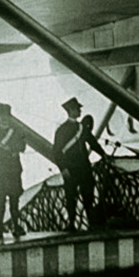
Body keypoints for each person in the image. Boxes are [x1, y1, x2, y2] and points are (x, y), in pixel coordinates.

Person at [52, 97, 96, 231]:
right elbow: (57, 152)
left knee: (88, 196)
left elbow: (93, 142)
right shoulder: (62, 130)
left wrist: (104, 155)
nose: (80, 111)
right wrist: (63, 169)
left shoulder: (81, 128)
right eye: (77, 109)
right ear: (71, 110)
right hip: (71, 169)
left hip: (83, 168)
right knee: (71, 197)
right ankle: (71, 224)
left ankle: (92, 224)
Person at [0, 123, 26, 241]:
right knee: (0, 198)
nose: (3, 119)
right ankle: (0, 228)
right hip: (1, 171)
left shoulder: (16, 132)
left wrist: (10, 148)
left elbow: (22, 147)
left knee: (15, 199)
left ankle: (16, 226)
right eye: (1, 116)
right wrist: (11, 150)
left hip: (13, 170)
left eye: (5, 116)